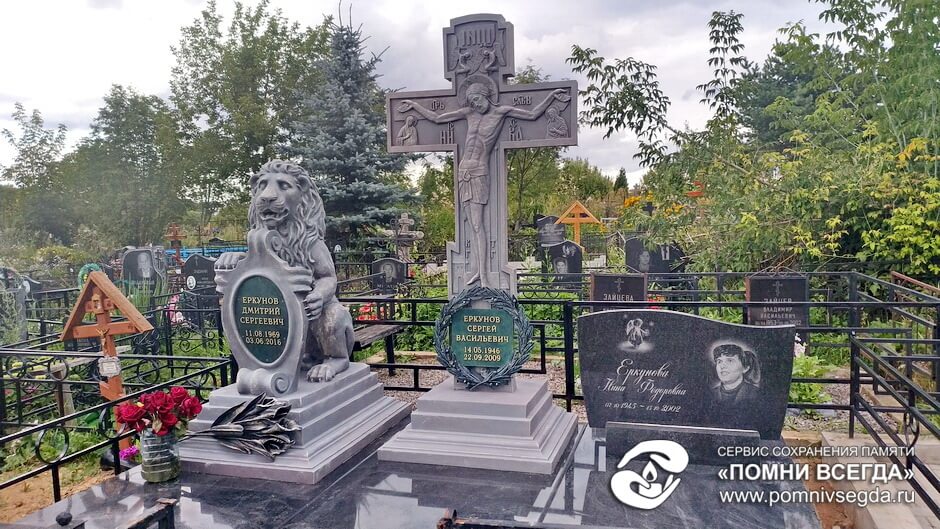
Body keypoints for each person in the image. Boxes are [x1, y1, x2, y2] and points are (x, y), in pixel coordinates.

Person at [399, 77, 570, 288]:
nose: (475, 105)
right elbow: (437, 118)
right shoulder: (469, 113)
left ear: (486, 95)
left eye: (477, 100)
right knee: (472, 226)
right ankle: (478, 272)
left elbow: (533, 114)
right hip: (463, 172)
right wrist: (414, 106)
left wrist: (551, 96)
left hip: (480, 172)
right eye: (471, 101)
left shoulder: (501, 112)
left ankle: (484, 274)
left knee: (478, 224)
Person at [710, 344, 760, 412]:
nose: (722, 366)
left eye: (730, 360)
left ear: (745, 368)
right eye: (719, 361)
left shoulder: (757, 393)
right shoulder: (710, 393)